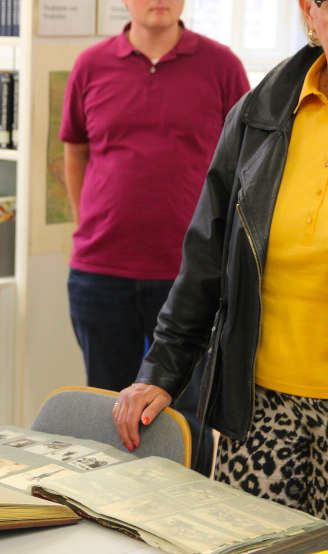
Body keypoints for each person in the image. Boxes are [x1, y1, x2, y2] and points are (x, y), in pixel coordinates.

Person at [114, 0, 328, 520]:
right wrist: (162, 369)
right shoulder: (263, 109)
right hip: (258, 406)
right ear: (310, 11)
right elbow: (209, 253)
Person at [59, 0, 249, 474]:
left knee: (186, 422)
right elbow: (75, 150)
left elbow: (249, 161)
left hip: (191, 282)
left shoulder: (222, 66)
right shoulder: (90, 65)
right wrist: (89, 221)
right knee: (106, 414)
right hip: (100, 274)